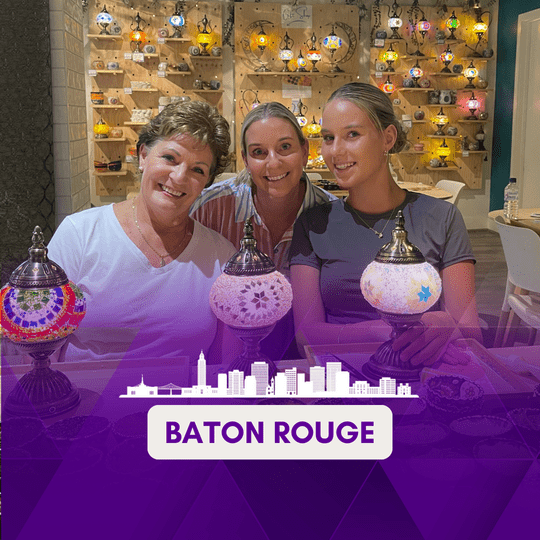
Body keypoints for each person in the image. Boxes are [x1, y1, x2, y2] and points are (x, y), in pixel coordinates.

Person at [290, 82, 482, 366]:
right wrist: (384, 331)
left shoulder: (442, 217)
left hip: (422, 372)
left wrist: (445, 323)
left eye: (352, 134)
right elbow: (306, 335)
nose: (335, 151)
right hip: (344, 372)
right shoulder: (314, 224)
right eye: (328, 138)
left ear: (388, 138)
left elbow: (470, 332)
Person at [47, 100, 239, 364]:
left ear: (206, 182)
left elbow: (225, 362)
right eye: (170, 158)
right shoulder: (79, 234)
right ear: (143, 156)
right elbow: (42, 347)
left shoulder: (221, 255)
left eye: (198, 170)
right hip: (85, 389)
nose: (179, 177)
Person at [190, 101, 338, 359]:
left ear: (305, 151)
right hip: (224, 359)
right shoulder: (210, 208)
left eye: (285, 147)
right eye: (259, 152)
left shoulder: (333, 215)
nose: (273, 163)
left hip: (306, 359)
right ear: (246, 160)